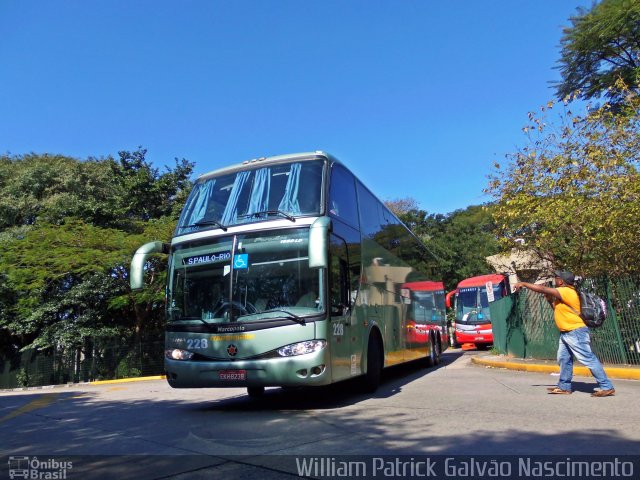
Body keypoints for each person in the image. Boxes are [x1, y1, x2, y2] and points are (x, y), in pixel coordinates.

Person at [514, 270, 615, 397]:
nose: (555, 280)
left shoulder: (567, 291)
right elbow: (556, 309)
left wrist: (524, 284)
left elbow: (541, 289)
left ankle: (607, 386)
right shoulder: (564, 294)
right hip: (566, 333)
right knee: (564, 359)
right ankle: (564, 387)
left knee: (588, 359)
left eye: (556, 278)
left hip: (575, 332)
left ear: (561, 281)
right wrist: (548, 298)